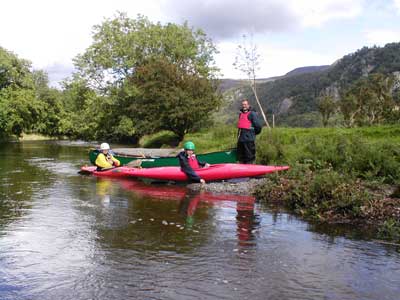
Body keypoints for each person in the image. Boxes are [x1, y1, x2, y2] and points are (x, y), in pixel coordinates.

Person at [237, 99, 262, 164]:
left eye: (245, 104)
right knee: (241, 157)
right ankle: (242, 171)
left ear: (248, 105)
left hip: (249, 140)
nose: (244, 106)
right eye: (243, 105)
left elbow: (258, 126)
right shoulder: (240, 114)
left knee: (249, 157)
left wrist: (253, 134)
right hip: (241, 140)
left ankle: (251, 170)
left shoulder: (252, 114)